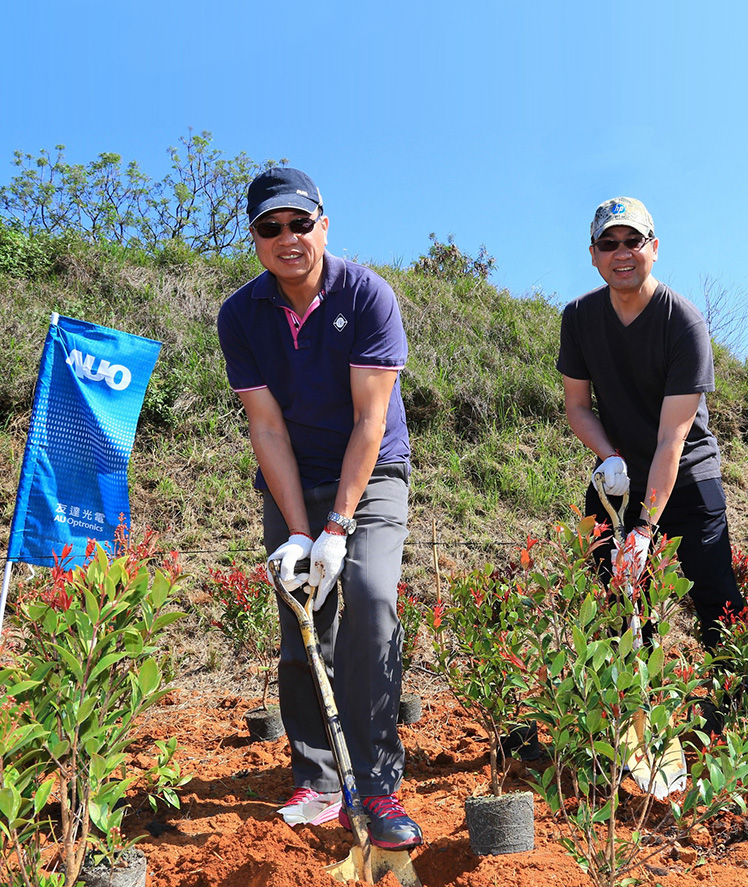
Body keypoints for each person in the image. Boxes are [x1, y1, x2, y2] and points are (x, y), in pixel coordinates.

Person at [216, 167, 422, 850]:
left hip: (373, 468)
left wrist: (336, 527)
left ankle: (378, 780)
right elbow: (266, 427)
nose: (288, 237)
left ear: (323, 226)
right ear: (255, 238)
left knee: (367, 595)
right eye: (271, 227)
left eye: (299, 223)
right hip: (293, 471)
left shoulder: (367, 296)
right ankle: (319, 775)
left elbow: (370, 422)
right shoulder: (240, 315)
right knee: (302, 614)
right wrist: (298, 535)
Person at [557, 196, 746, 654]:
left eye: (633, 241)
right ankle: (630, 718)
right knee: (615, 601)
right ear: (594, 254)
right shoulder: (579, 318)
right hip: (620, 476)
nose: (621, 253)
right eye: (609, 243)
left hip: (684, 476)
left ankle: (734, 709)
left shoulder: (683, 323)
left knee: (716, 601)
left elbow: (671, 439)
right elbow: (578, 407)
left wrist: (644, 530)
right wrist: (610, 456)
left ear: (654, 247)